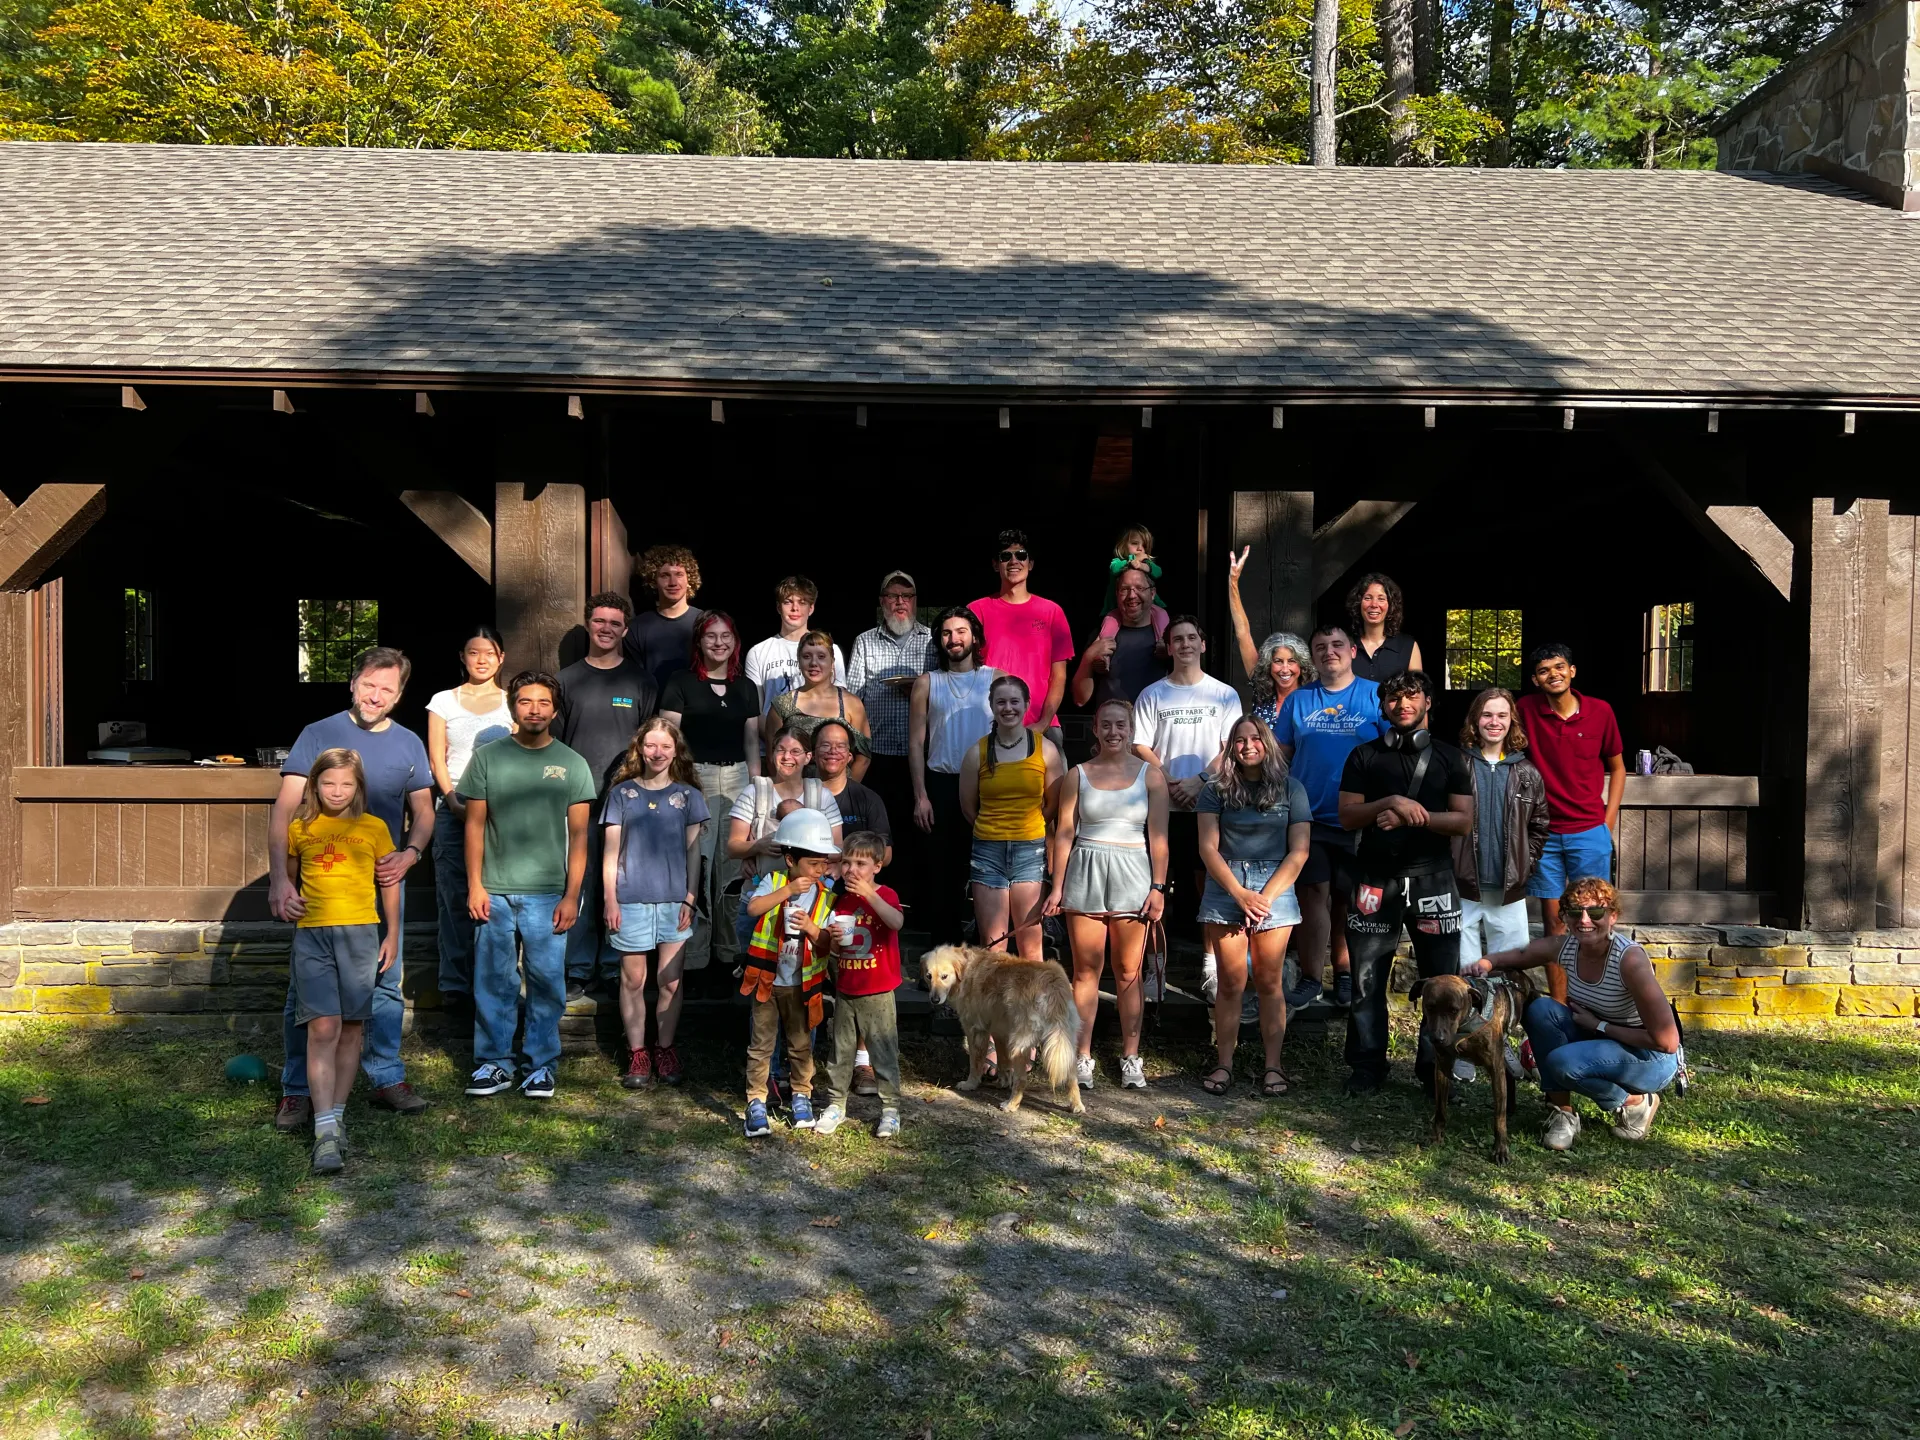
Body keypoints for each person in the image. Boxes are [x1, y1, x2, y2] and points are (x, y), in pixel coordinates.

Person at [269, 646, 435, 1131]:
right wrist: (281, 878)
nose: (375, 695)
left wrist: (411, 853)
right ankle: (297, 1091)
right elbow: (285, 809)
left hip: (380, 885)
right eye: (369, 685)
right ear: (353, 683)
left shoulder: (409, 743)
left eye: (387, 689)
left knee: (385, 983)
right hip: (323, 891)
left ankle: (386, 1077)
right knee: (305, 997)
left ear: (400, 694)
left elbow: (423, 810)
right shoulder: (318, 733)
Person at [459, 671, 598, 1102]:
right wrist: (475, 886)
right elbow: (475, 826)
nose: (534, 709)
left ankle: (539, 1066)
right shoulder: (488, 758)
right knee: (493, 981)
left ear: (555, 710)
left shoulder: (572, 763)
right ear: (512, 707)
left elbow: (579, 837)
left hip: (547, 894)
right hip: (495, 892)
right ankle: (493, 1063)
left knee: (546, 983)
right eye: (525, 701)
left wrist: (572, 894)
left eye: (542, 702)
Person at [1336, 670, 1475, 1095]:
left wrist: (1417, 815)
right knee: (1366, 979)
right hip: (1374, 880)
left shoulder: (1451, 758)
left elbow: (1464, 821)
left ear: (1428, 703)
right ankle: (1366, 1067)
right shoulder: (1363, 756)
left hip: (1434, 879)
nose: (1402, 705)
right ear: (1383, 706)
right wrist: (1391, 802)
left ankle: (1435, 1069)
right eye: (1393, 698)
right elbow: (1347, 816)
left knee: (1443, 982)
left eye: (1411, 696)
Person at [1464, 877, 1680, 1150]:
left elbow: (1667, 1042)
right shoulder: (1566, 947)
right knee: (1541, 1009)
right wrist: (1487, 962)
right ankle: (1563, 1113)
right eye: (1575, 912)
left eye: (1596, 912)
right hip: (1601, 1041)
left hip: (1650, 1059)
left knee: (1561, 1062)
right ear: (1564, 916)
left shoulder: (1630, 960)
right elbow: (1520, 954)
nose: (1585, 920)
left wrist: (1599, 1025)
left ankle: (1635, 1102)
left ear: (1613, 916)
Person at [284, 749, 402, 1174]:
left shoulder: (374, 828)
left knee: (351, 1028)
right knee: (323, 1026)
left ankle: (336, 1116)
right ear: (314, 785)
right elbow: (289, 877)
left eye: (346, 784)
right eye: (328, 783)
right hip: (313, 935)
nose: (337, 791)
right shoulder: (300, 828)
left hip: (362, 933)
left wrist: (392, 933)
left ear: (359, 788)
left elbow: (389, 883)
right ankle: (322, 1131)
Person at [1045, 697, 1169, 1092]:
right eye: (1107, 725)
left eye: (1121, 725)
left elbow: (1160, 839)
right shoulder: (1077, 774)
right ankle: (1083, 1057)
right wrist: (1058, 885)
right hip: (1086, 870)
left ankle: (1131, 1057)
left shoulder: (1151, 776)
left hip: (1134, 872)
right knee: (1085, 972)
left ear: (1131, 729)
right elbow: (1064, 832)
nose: (1114, 731)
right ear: (1096, 730)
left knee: (1130, 972)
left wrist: (1158, 888)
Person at [1195, 716, 1313, 1099]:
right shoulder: (1214, 791)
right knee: (1230, 983)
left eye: (1255, 738)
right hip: (1225, 885)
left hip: (1275, 887)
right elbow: (1207, 849)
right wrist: (1239, 894)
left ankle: (1273, 1066)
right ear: (1231, 747)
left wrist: (1263, 897)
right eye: (1240, 740)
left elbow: (1299, 851)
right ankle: (1224, 1063)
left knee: (1269, 982)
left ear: (1268, 743)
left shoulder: (1292, 789)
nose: (1247, 745)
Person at [1272, 626, 1383, 1010]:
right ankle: (1309, 978)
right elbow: (1281, 754)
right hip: (1309, 816)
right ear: (1313, 658)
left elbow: (1392, 751)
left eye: (1337, 645)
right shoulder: (1299, 700)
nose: (1329, 652)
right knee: (1313, 895)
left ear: (1353, 650)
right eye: (1320, 648)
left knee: (1349, 899)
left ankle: (1347, 974)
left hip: (1361, 817)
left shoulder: (1374, 695)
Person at [556, 591, 659, 1001]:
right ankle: (579, 967)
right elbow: (556, 743)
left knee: (621, 882)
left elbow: (653, 743)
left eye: (615, 623)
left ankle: (616, 964)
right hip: (579, 800)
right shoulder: (567, 680)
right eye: (599, 621)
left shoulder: (640, 681)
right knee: (578, 882)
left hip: (628, 801)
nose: (606, 629)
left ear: (625, 630)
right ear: (589, 625)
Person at [601, 717, 709, 1090]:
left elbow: (694, 855)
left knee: (670, 981)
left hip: (674, 901)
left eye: (665, 745)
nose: (658, 752)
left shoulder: (689, 796)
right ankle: (637, 1052)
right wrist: (610, 899)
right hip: (630, 898)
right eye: (651, 745)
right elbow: (610, 852)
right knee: (633, 979)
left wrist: (690, 899)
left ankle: (664, 1048)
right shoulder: (622, 794)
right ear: (640, 749)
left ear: (676, 750)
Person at [1517, 643, 1627, 998]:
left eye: (1559, 667)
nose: (1554, 674)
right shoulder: (1525, 710)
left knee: (1595, 918)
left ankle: (1597, 999)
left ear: (1572, 670)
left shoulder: (1600, 711)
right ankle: (1560, 1004)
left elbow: (1618, 767)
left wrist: (1606, 823)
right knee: (1554, 923)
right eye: (1545, 670)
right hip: (1544, 835)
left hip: (1589, 831)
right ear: (1536, 679)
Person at [1132, 616, 1242, 969]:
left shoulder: (1224, 694)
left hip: (1208, 806)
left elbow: (1231, 747)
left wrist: (1199, 780)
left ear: (1203, 644)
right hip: (1162, 808)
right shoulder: (1152, 694)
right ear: (1169, 647)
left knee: (1208, 887)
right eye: (1177, 639)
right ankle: (1154, 968)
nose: (1185, 644)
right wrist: (1167, 780)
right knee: (1156, 886)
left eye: (1192, 638)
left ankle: (1212, 966)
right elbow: (1139, 746)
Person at [659, 611, 758, 975]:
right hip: (694, 777)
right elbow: (670, 740)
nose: (719, 643)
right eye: (711, 636)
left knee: (732, 869)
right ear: (699, 641)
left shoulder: (746, 687)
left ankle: (728, 954)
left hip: (736, 776)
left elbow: (751, 741)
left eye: (726, 636)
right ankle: (697, 957)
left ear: (735, 642)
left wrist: (757, 790)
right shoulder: (680, 682)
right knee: (696, 865)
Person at [740, 808, 842, 1137]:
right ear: (790, 860)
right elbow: (753, 908)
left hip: (803, 986)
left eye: (824, 863)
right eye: (813, 863)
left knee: (801, 1045)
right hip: (766, 982)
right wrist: (787, 892)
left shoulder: (828, 897)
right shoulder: (774, 882)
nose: (820, 870)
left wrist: (812, 927)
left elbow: (829, 944)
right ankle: (755, 1101)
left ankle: (801, 1095)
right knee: (761, 1045)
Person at [425, 626, 512, 1005]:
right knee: (454, 894)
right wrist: (452, 800)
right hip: (455, 799)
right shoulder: (443, 701)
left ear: (501, 658)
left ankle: (493, 984)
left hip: (502, 805)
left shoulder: (514, 702)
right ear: (463, 656)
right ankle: (455, 984)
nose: (481, 659)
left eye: (489, 653)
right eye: (474, 652)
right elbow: (436, 757)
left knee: (496, 895)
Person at [960, 674, 1066, 966]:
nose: (1008, 708)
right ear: (992, 706)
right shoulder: (977, 752)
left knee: (1030, 946)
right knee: (994, 948)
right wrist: (995, 828)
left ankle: (1031, 1012)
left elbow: (1053, 804)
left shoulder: (1045, 749)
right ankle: (996, 1012)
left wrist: (1028, 825)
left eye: (1015, 701)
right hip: (987, 851)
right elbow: (969, 807)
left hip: (1029, 850)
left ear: (1027, 704)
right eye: (1001, 702)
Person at [909, 606, 997, 943]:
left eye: (961, 631)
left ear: (974, 637)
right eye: (946, 633)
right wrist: (921, 796)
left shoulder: (996, 678)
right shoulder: (927, 683)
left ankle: (985, 952)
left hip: (986, 785)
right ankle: (942, 954)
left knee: (985, 870)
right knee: (942, 875)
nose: (953, 638)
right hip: (941, 784)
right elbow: (916, 744)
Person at [847, 570, 933, 904]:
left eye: (906, 596)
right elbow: (852, 697)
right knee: (880, 832)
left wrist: (920, 688)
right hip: (877, 754)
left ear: (915, 602)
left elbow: (944, 690)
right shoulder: (866, 641)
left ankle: (917, 903)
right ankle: (879, 901)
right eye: (893, 596)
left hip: (921, 757)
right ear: (882, 602)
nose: (900, 602)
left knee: (921, 831)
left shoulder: (930, 640)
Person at [815, 830, 906, 1139]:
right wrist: (836, 942)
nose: (852, 870)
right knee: (840, 1052)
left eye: (861, 864)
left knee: (883, 1052)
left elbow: (896, 922)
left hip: (879, 991)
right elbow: (838, 950)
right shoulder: (841, 902)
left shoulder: (886, 894)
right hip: (847, 988)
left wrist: (869, 895)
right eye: (847, 863)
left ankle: (890, 1110)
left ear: (877, 866)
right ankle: (836, 1105)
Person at [1453, 687, 1548, 965]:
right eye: (1487, 715)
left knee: (1509, 970)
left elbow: (1539, 826)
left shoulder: (1527, 772)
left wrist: (1524, 863)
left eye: (1502, 715)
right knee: (1461, 973)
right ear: (1474, 720)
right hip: (1462, 886)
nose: (1494, 722)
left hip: (1507, 891)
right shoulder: (1457, 765)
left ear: (1512, 721)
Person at [725, 729, 844, 952]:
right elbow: (733, 846)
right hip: (759, 898)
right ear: (772, 754)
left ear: (807, 757)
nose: (787, 757)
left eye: (795, 751)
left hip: (809, 903)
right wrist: (757, 847)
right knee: (754, 970)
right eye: (781, 750)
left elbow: (839, 849)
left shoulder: (821, 795)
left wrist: (805, 846)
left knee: (804, 969)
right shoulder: (754, 792)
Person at [969, 529, 1074, 730]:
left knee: (1057, 760)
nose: (1014, 561)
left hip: (1042, 725)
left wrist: (1043, 723)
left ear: (1031, 564)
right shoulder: (975, 611)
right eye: (1005, 556)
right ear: (995, 565)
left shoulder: (1052, 612)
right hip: (988, 724)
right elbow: (965, 672)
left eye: (1021, 555)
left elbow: (1058, 676)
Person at [1226, 545, 1316, 731]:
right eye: (1278, 661)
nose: (1285, 669)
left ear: (1301, 665)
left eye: (1291, 661)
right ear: (1269, 665)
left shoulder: (1312, 696)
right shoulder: (1262, 690)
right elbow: (1243, 633)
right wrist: (1233, 583)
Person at [765, 630, 872, 781]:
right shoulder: (782, 704)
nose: (813, 663)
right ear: (799, 661)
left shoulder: (851, 703)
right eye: (807, 656)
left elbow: (864, 757)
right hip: (794, 794)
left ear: (832, 662)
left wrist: (845, 793)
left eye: (821, 657)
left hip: (838, 797)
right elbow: (772, 758)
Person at [1071, 563, 1166, 711]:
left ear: (1152, 593)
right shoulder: (1101, 636)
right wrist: (1089, 656)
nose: (1132, 595)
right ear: (1116, 594)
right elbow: (1080, 699)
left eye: (1140, 588)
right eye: (1124, 589)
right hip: (1114, 730)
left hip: (1156, 729)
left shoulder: (1170, 638)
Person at [744, 575, 847, 711]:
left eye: (802, 602)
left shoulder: (830, 650)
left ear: (811, 609)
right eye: (788, 602)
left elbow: (840, 703)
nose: (795, 608)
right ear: (778, 607)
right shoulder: (757, 653)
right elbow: (755, 712)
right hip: (773, 730)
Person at [625, 544, 705, 692]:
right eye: (665, 575)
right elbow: (633, 682)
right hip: (652, 711)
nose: (673, 582)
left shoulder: (706, 623)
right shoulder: (637, 628)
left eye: (679, 574)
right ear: (653, 581)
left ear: (689, 579)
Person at [812, 719, 890, 864]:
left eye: (841, 746)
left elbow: (886, 855)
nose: (833, 751)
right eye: (825, 745)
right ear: (812, 754)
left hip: (853, 881)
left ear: (850, 757)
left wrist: (845, 860)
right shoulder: (799, 795)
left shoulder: (868, 799)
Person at [1095, 523, 1169, 644]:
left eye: (1144, 545)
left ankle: (1163, 644)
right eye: (1135, 543)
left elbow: (1158, 572)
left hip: (1149, 607)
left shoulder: (1147, 563)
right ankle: (1103, 655)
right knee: (1109, 625)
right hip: (1117, 608)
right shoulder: (1118, 561)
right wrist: (1131, 561)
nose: (1140, 548)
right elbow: (1114, 569)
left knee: (1162, 615)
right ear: (1123, 545)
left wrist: (1144, 565)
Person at [1347, 573, 1424, 682]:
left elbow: (1416, 693)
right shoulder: (1344, 645)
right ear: (1358, 603)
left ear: (1391, 605)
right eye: (1367, 598)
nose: (1374, 604)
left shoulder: (1408, 646)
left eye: (1381, 599)